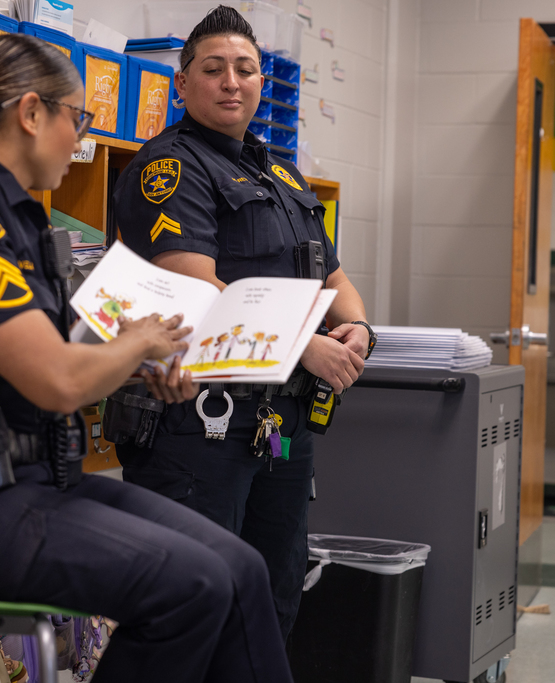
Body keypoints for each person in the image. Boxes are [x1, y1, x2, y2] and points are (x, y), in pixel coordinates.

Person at [0, 33, 293, 683]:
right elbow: (58, 380)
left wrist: (138, 365)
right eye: (76, 119)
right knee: (191, 585)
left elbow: (60, 357)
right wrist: (138, 339)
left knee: (242, 568)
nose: (80, 138)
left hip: (24, 486)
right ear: (32, 114)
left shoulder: (19, 223)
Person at [113, 6, 377, 638]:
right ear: (181, 84)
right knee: (190, 606)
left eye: (246, 69)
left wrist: (361, 330)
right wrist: (306, 347)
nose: (232, 81)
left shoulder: (282, 174)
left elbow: (333, 279)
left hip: (281, 426)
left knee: (274, 594)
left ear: (262, 81)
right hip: (199, 425)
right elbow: (193, 286)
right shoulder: (169, 168)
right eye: (214, 69)